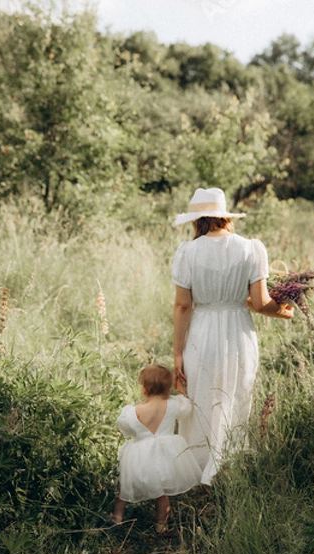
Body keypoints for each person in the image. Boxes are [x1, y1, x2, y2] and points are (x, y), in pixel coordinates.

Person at [172, 187, 294, 486]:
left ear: (197, 220)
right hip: (237, 330)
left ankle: (198, 467)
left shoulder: (187, 252)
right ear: (224, 217)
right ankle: (229, 466)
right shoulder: (251, 249)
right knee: (235, 393)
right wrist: (287, 311)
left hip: (201, 329)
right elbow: (261, 302)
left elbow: (183, 305)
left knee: (201, 395)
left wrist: (177, 353)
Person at [111, 364, 202, 532]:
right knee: (161, 494)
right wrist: (180, 387)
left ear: (144, 389)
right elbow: (187, 406)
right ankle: (161, 525)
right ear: (168, 388)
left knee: (124, 491)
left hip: (139, 460)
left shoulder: (134, 411)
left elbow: (126, 429)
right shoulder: (173, 405)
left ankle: (117, 518)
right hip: (165, 458)